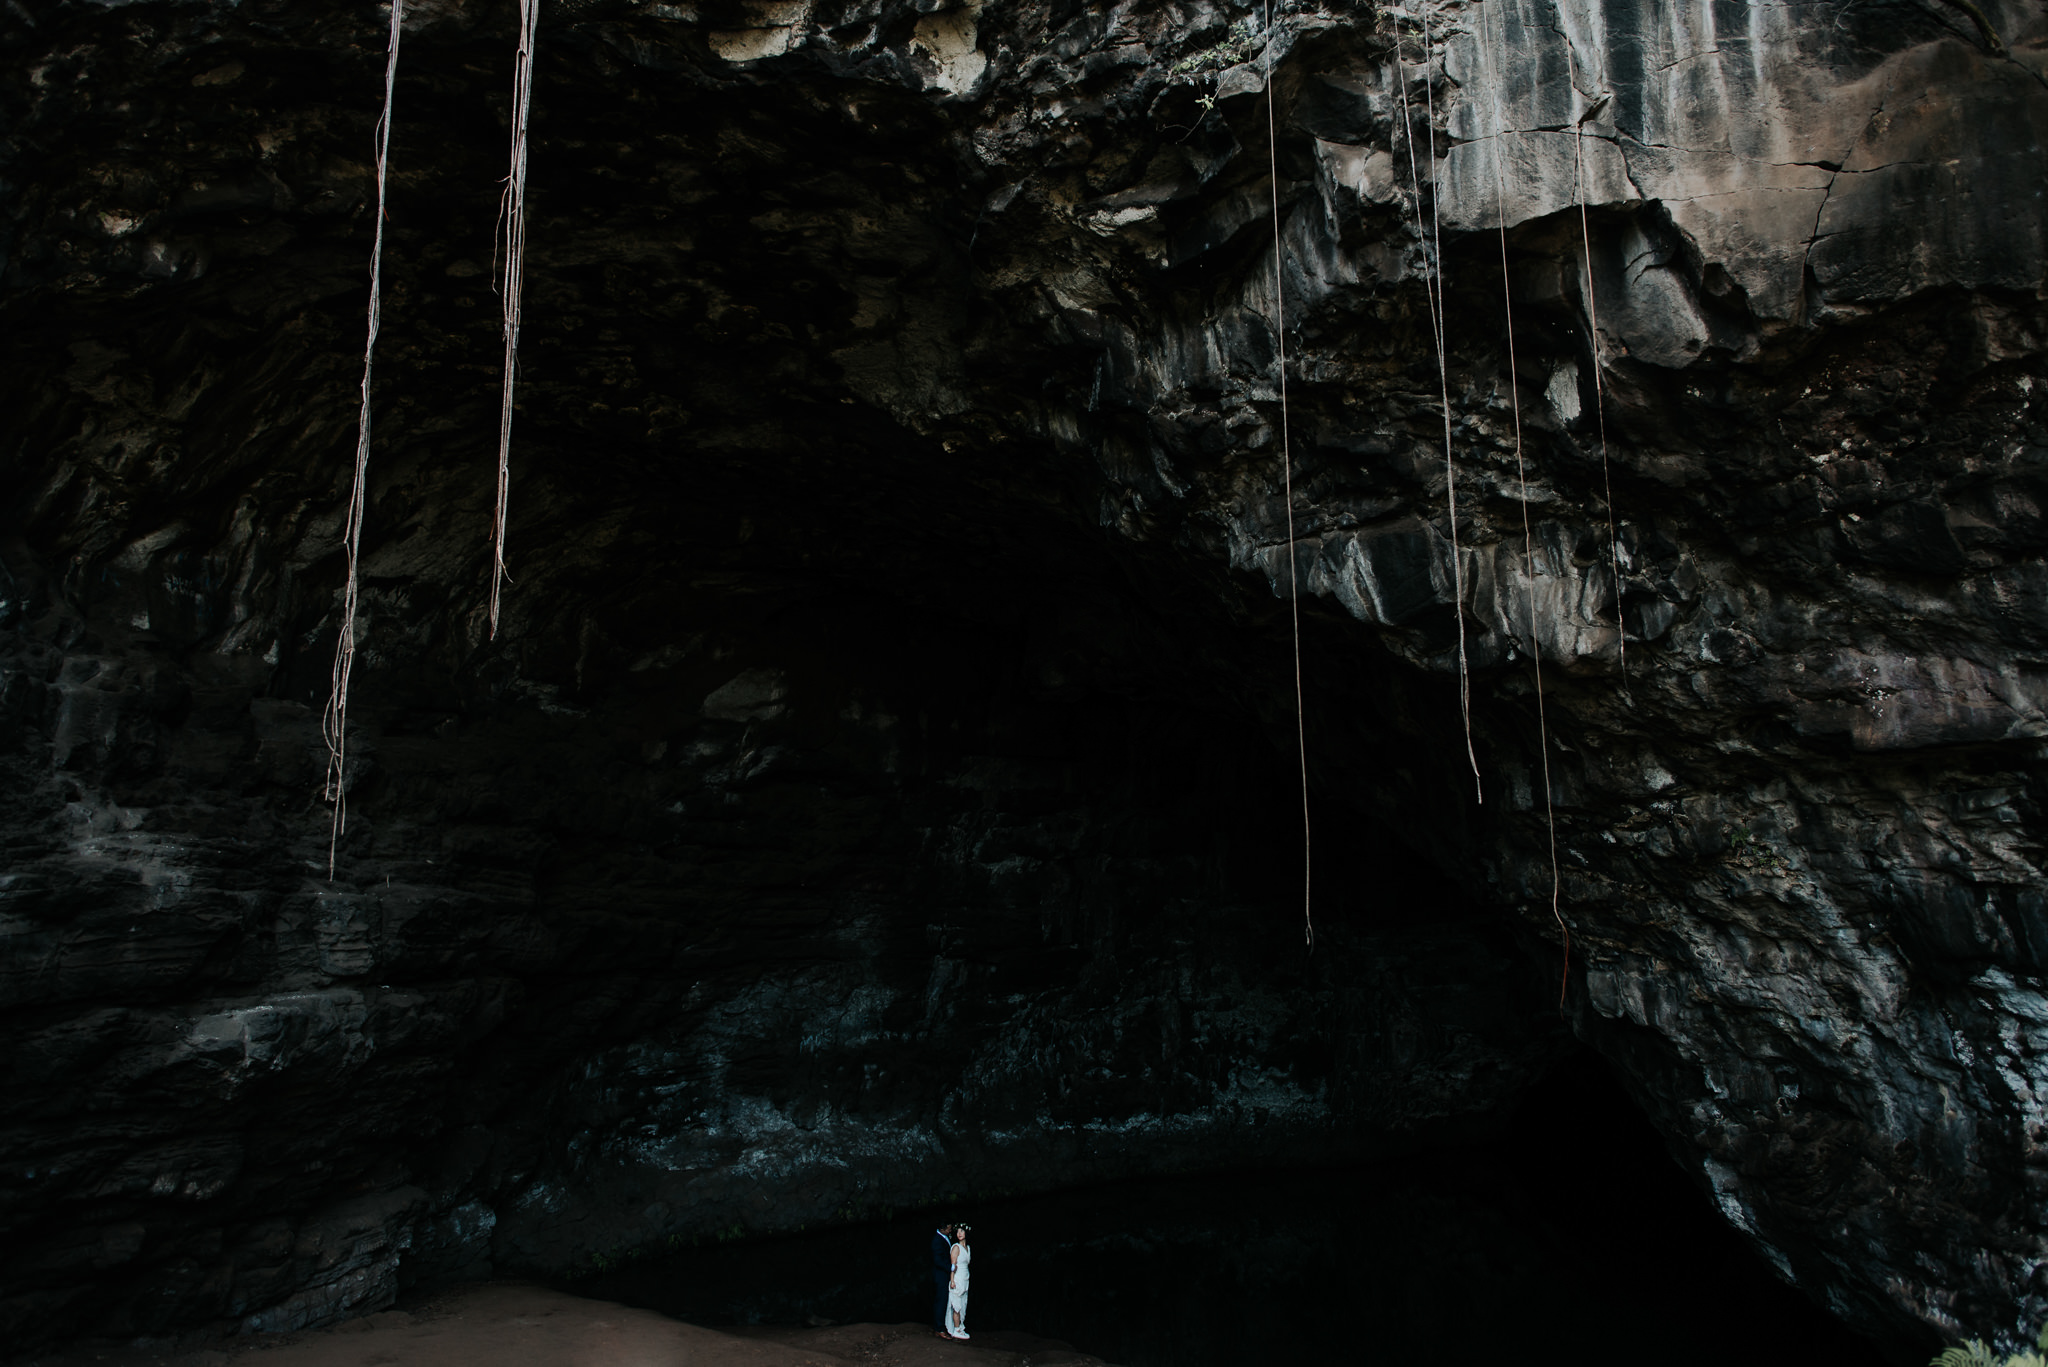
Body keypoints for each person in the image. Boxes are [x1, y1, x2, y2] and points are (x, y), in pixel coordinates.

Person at [946, 1223, 972, 1340]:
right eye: (958, 1232)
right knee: (956, 1304)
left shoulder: (968, 1248)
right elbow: (953, 1265)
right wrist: (952, 1280)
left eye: (962, 1231)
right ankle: (956, 1329)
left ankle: (961, 1327)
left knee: (962, 1303)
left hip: (965, 1277)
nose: (959, 1234)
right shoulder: (956, 1247)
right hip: (957, 1278)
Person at [931, 1222, 955, 1336]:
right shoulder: (937, 1240)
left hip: (944, 1275)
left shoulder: (943, 1237)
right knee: (941, 1301)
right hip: (941, 1276)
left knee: (944, 1301)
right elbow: (938, 1260)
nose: (950, 1231)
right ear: (942, 1228)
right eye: (948, 1229)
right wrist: (950, 1267)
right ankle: (939, 1328)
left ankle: (942, 1326)